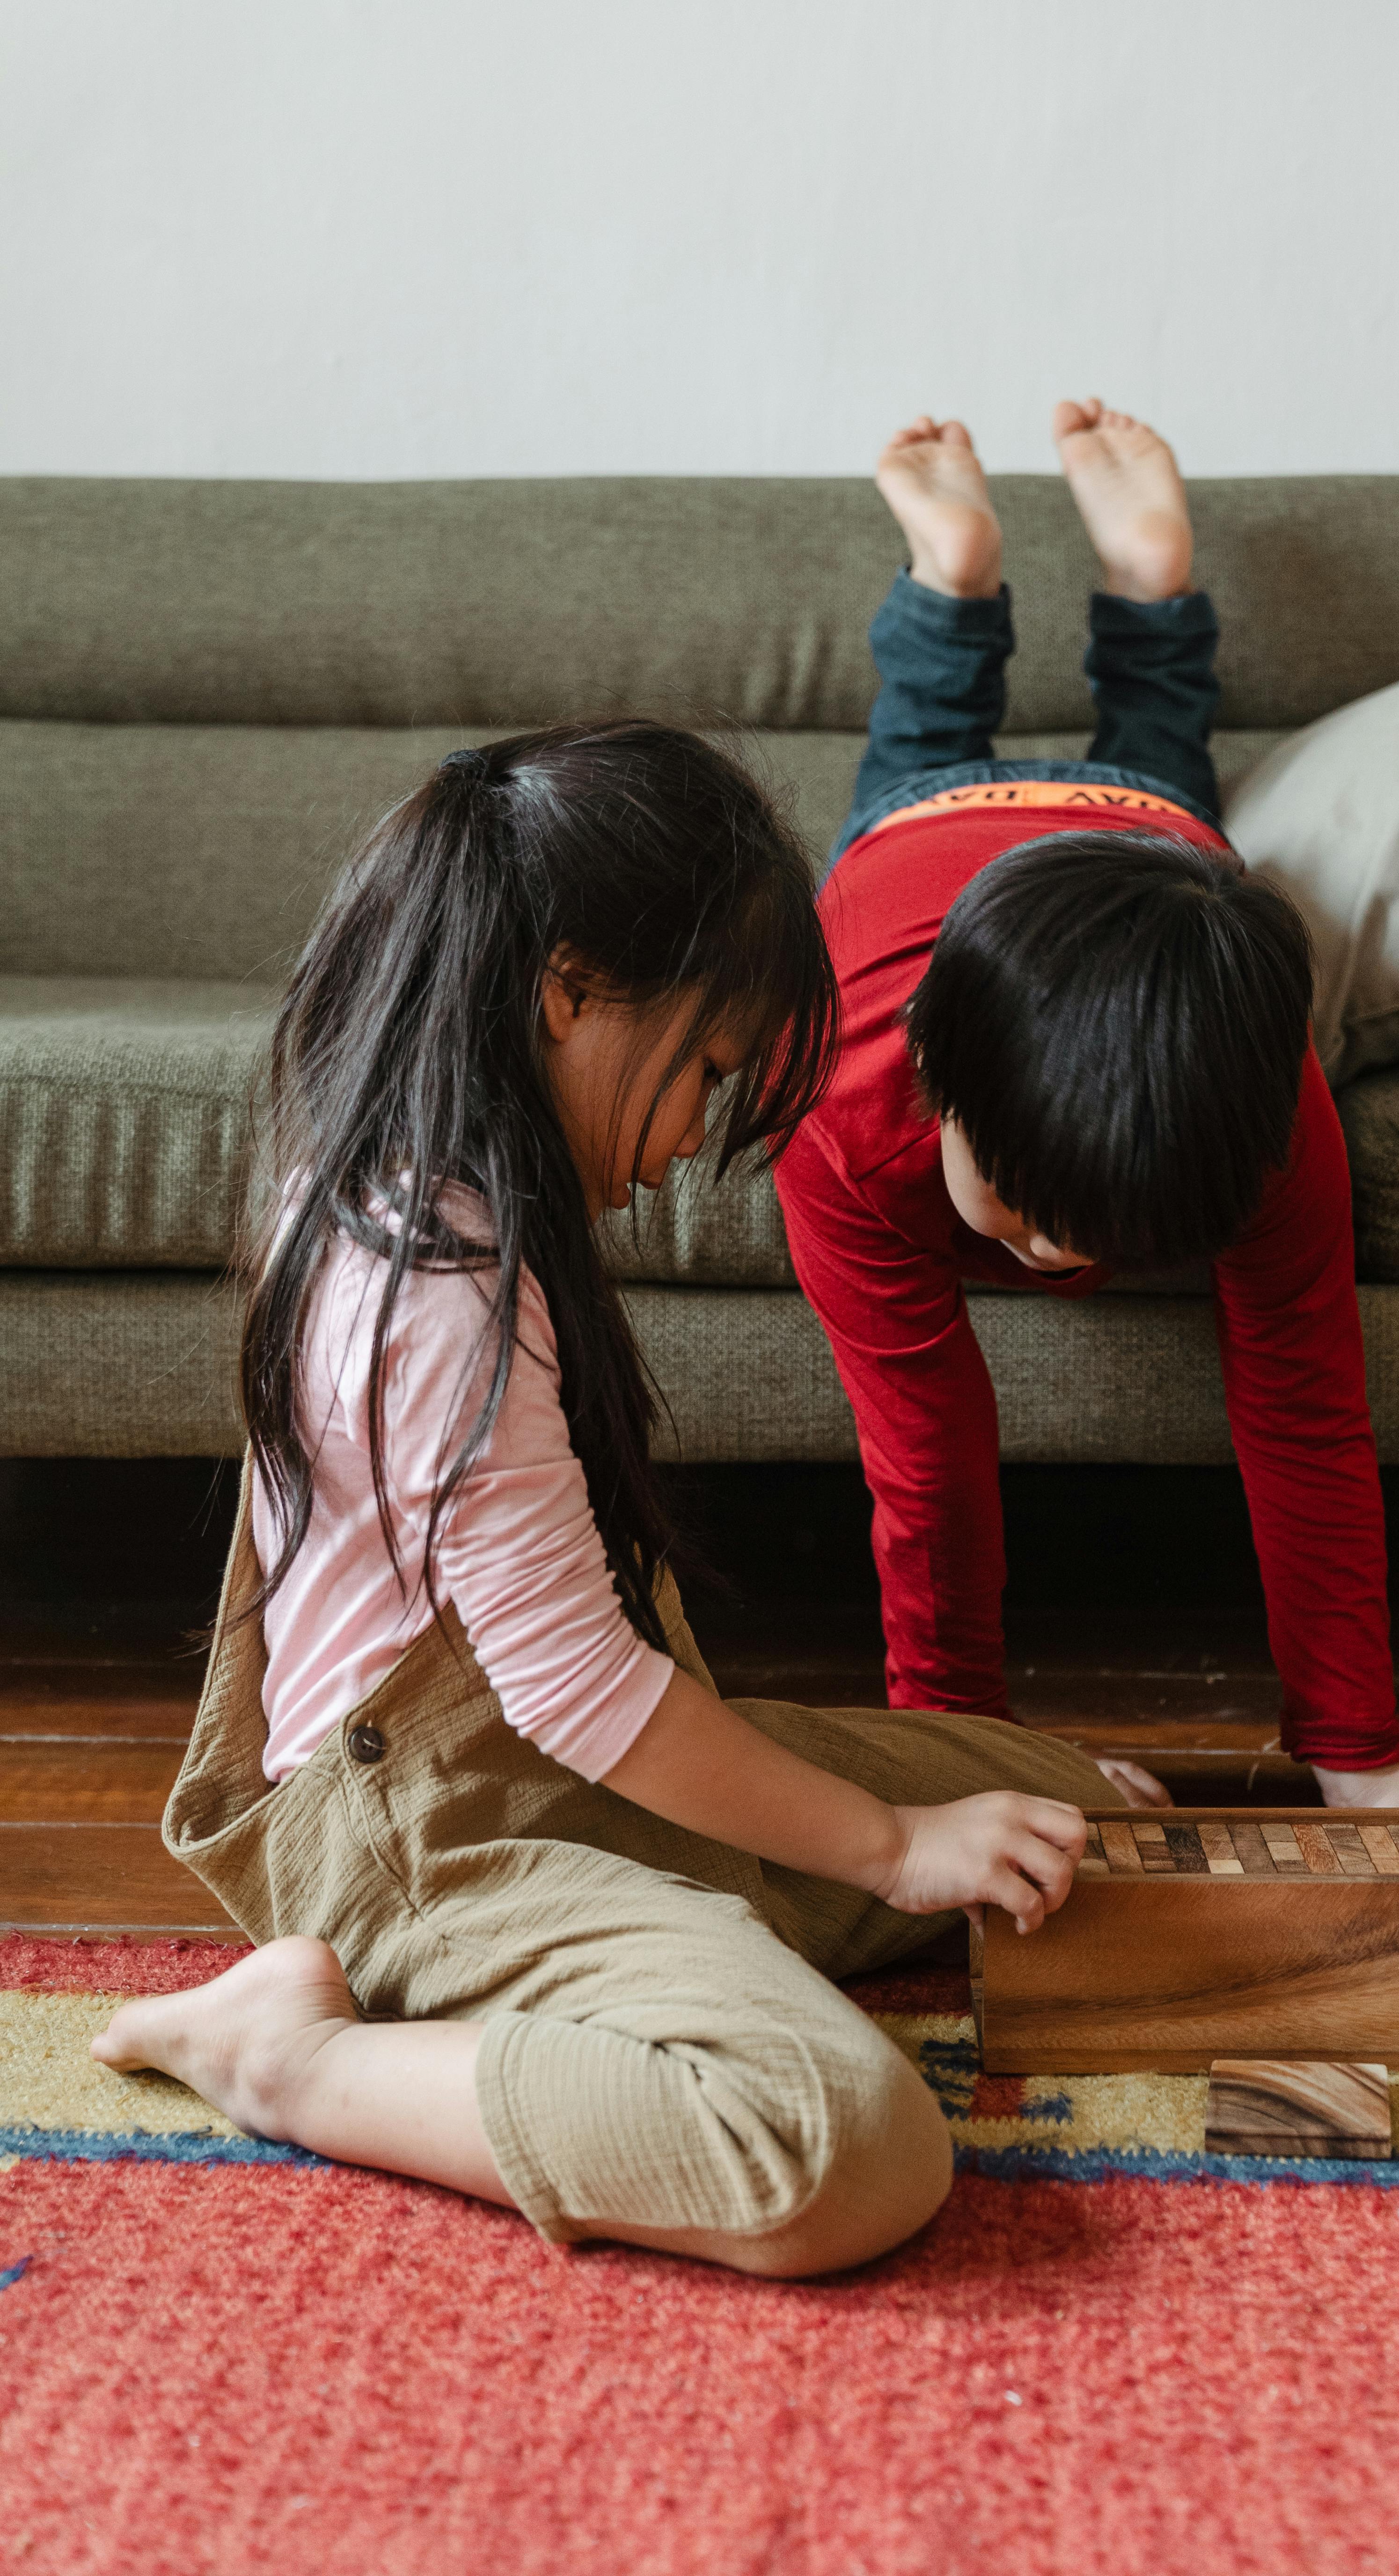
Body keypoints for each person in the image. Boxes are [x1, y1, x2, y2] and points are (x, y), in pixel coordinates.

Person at [92, 720, 1122, 2278]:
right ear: (567, 988)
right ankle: (288, 2059)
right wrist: (896, 1848)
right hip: (430, 1831)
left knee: (1085, 1822)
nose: (706, 1126)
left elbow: (579, 1688)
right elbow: (579, 1693)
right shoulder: (428, 1275)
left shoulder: (448, 1182)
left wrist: (907, 1829)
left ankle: (697, 1934)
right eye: (708, 1067)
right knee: (836, 2144)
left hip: (560, 1763)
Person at [775, 400, 1399, 1813]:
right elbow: (926, 1459)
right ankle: (971, 577)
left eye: (1102, 1237)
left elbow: (1307, 1411)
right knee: (919, 750)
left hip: (1145, 841)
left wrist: (1356, 1750)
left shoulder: (1266, 1112)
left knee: (1160, 772)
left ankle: (1126, 581)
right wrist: (967, 1756)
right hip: (922, 838)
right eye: (1018, 1212)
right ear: (937, 1082)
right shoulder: (841, 1113)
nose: (1053, 1263)